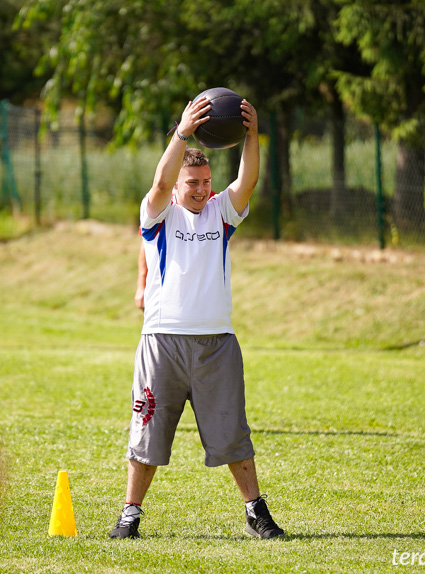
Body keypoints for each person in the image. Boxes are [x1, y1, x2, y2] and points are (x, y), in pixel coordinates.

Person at [110, 96, 285, 540]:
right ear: (177, 185)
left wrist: (251, 133)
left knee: (233, 434)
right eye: (192, 182)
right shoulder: (157, 214)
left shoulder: (221, 213)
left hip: (217, 344)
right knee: (147, 435)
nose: (201, 188)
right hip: (162, 343)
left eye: (206, 181)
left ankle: (255, 513)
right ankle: (130, 515)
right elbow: (158, 181)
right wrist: (182, 132)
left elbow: (247, 180)